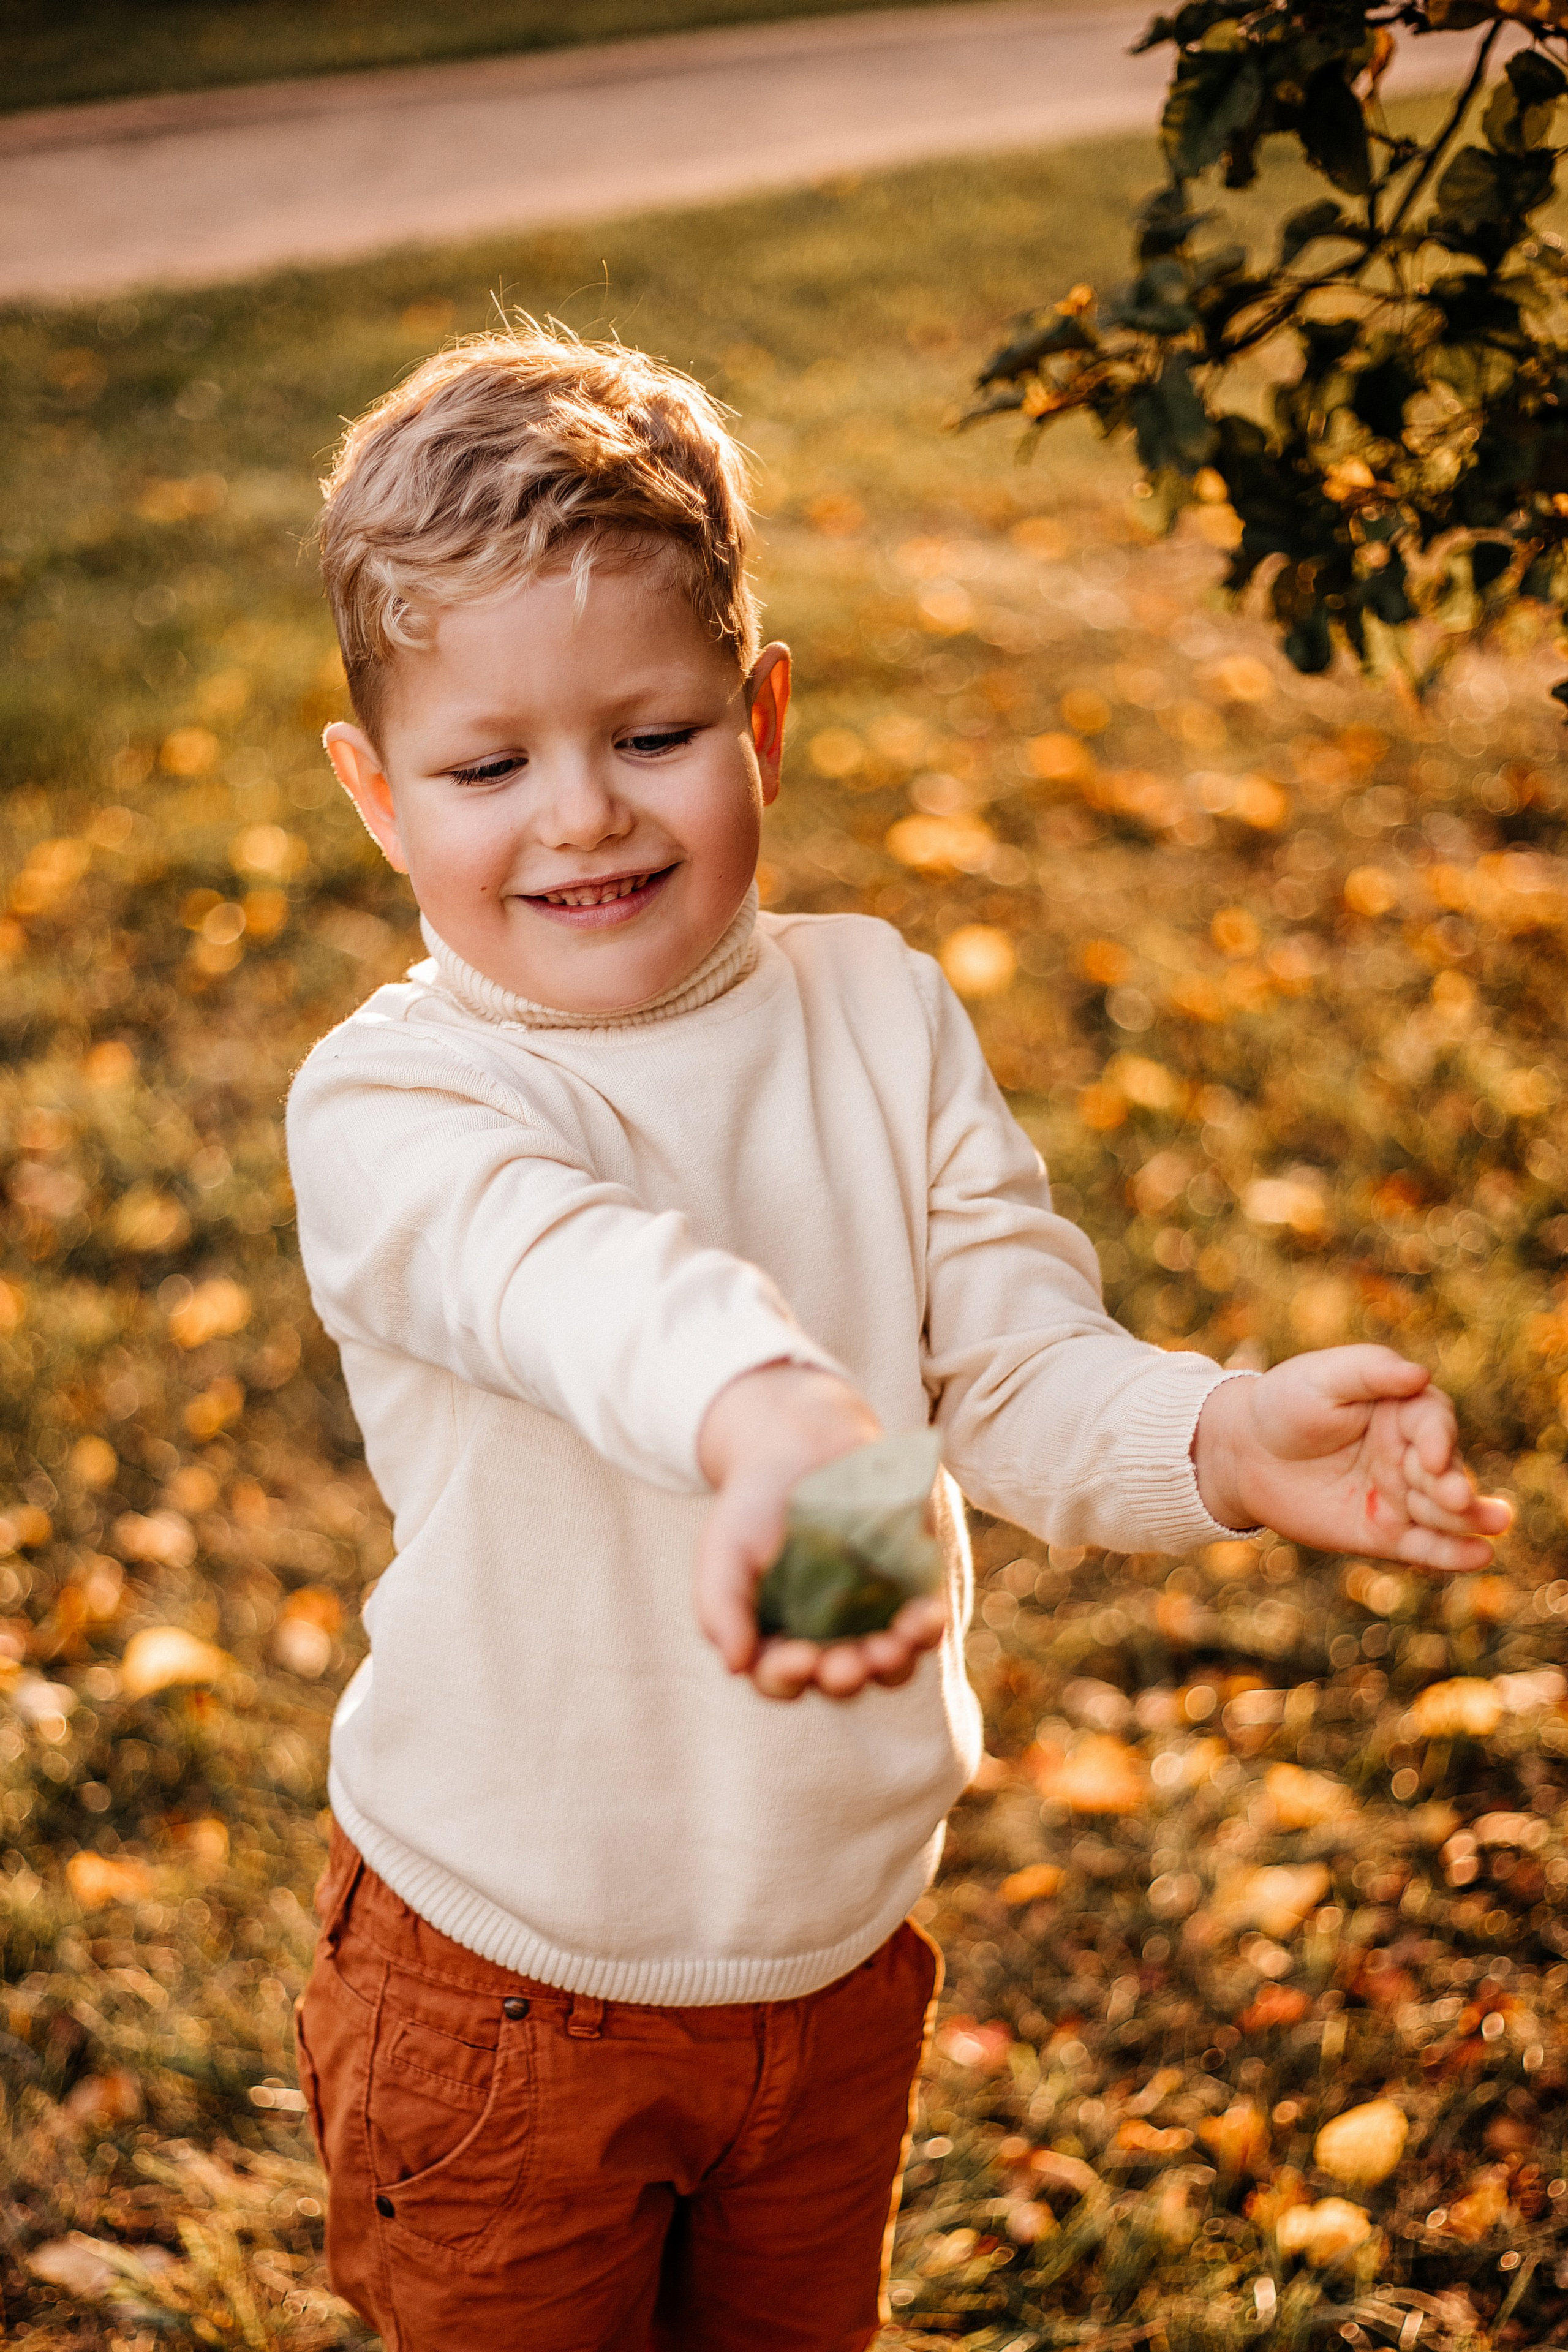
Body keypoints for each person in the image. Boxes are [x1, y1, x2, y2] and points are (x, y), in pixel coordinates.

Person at [285, 323, 1509, 2352]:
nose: (581, 816)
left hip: (833, 1950)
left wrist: (1216, 1435)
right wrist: (769, 1416)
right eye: (490, 767)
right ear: (376, 796)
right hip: (509, 1980)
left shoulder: (872, 1009)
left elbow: (1010, 1363)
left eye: (652, 734)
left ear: (760, 717)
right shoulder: (403, 1102)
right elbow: (566, 1280)